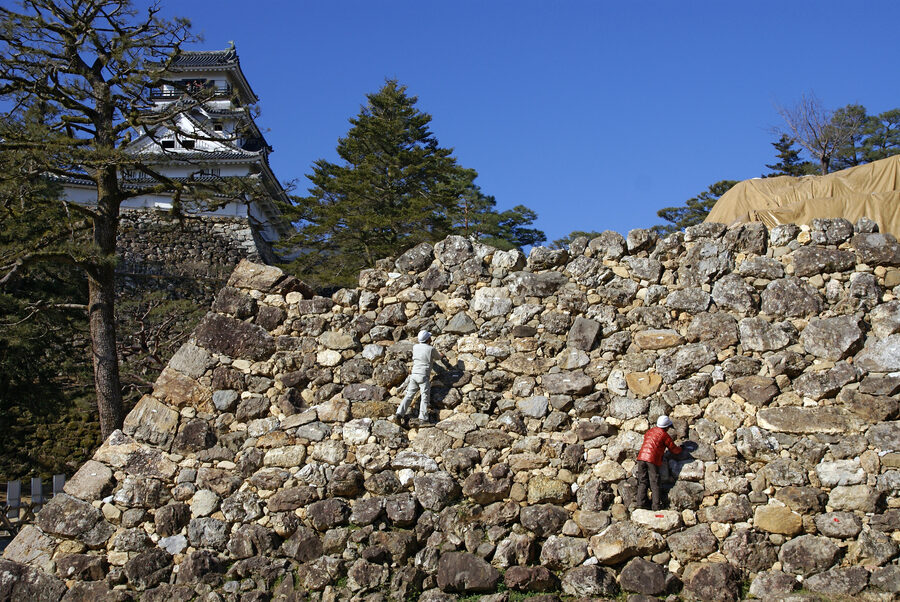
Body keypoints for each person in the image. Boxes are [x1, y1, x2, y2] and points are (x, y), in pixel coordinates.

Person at [394, 330, 444, 424]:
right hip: (423, 376)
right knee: (425, 397)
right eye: (429, 337)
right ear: (428, 339)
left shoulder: (415, 347)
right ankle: (423, 419)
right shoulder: (431, 349)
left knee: (409, 395)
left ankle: (399, 414)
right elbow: (438, 357)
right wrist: (442, 355)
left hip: (414, 374)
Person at [634, 415, 682, 511]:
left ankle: (640, 504)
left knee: (642, 481)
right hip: (652, 460)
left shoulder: (650, 431)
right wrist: (681, 449)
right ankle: (656, 506)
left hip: (641, 457)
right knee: (654, 482)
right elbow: (674, 450)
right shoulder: (664, 435)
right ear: (667, 427)